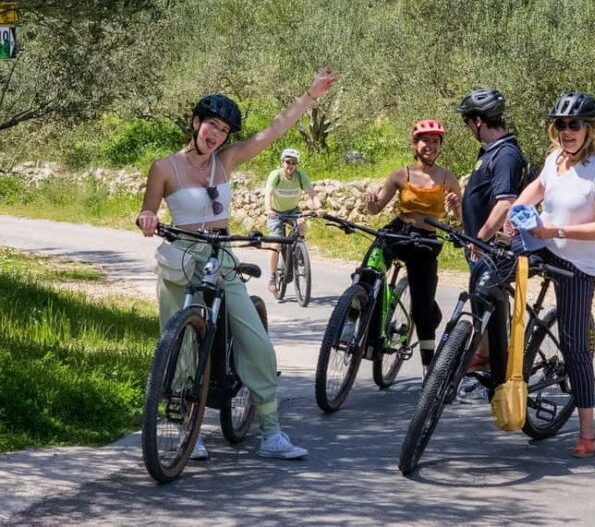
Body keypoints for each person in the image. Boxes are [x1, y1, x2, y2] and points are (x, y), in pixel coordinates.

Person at [137, 66, 338, 461]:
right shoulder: (164, 168)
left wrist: (311, 95)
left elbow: (273, 132)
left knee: (256, 341)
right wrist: (146, 219)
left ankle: (271, 431)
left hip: (221, 257)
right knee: (179, 346)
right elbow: (148, 211)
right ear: (195, 123)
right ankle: (184, 428)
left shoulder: (224, 161)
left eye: (224, 131)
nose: (216, 135)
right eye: (211, 125)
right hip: (182, 257)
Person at [508, 92, 595, 459]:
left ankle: (587, 432)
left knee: (573, 345)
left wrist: (558, 230)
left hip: (578, 264)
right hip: (545, 245)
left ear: (590, 129)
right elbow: (536, 188)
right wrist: (516, 211)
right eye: (561, 125)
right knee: (490, 272)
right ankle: (478, 350)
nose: (567, 131)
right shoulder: (554, 158)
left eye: (575, 125)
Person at [363, 120, 462, 375]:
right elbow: (376, 210)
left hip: (426, 241)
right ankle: (355, 325)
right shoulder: (400, 174)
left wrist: (455, 208)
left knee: (422, 306)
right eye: (425, 141)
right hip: (398, 230)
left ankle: (428, 369)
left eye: (435, 141)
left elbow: (459, 220)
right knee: (369, 271)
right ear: (415, 145)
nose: (430, 146)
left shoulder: (447, 177)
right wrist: (370, 202)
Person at [454, 88, 532, 402]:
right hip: (482, 248)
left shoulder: (506, 154)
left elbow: (505, 204)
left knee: (488, 304)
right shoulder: (490, 151)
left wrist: (481, 238)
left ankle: (496, 380)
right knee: (482, 307)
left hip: (496, 249)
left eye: (467, 123)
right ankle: (487, 369)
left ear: (477, 121)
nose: (468, 128)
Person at [264, 147, 323, 294]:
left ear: (297, 165)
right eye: (288, 162)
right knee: (276, 243)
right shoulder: (276, 175)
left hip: (292, 210)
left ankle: (299, 250)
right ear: (282, 162)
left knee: (302, 223)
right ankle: (272, 277)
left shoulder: (300, 176)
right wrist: (268, 209)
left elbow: (312, 193)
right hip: (276, 212)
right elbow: (268, 194)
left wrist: (319, 207)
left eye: (294, 163)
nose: (290, 165)